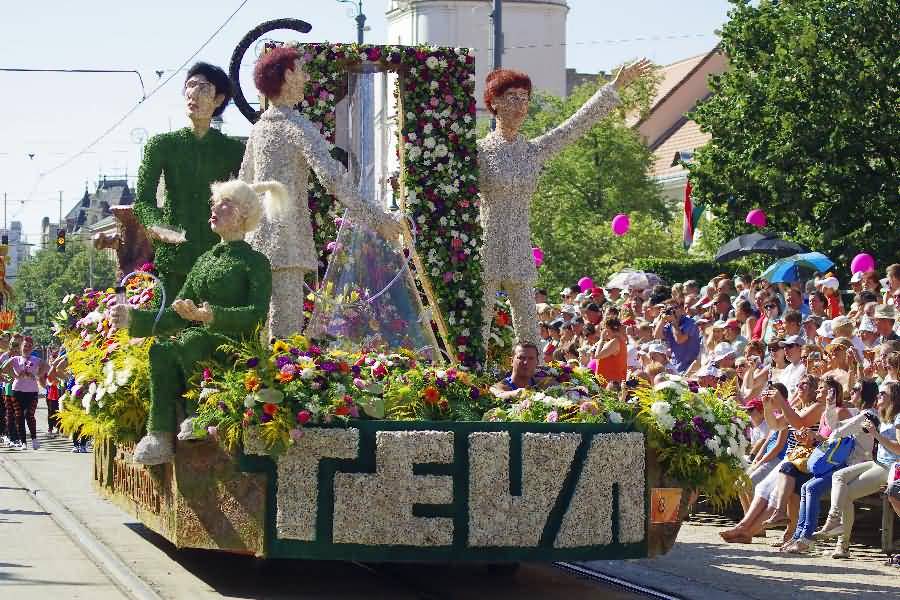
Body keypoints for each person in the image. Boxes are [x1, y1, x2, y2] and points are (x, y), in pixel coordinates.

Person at [477, 59, 652, 350]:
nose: (520, 106)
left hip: (520, 249)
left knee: (529, 330)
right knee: (478, 327)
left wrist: (614, 87)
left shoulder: (532, 151)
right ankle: (470, 382)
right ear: (494, 102)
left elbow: (573, 127)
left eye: (525, 99)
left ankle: (535, 382)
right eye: (512, 98)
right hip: (488, 248)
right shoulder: (480, 153)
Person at [109, 180, 285, 464]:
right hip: (199, 343)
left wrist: (210, 315)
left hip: (236, 348)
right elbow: (175, 313)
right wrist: (134, 319)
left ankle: (200, 414)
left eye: (225, 204)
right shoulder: (205, 261)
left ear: (243, 214)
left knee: (193, 339)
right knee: (161, 350)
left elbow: (257, 314)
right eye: (215, 202)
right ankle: (159, 435)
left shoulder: (255, 262)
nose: (214, 208)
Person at [241, 47, 402, 339]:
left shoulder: (259, 128)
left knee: (260, 330)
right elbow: (333, 179)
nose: (306, 77)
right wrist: (378, 218)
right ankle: (276, 382)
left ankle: (258, 381)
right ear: (288, 75)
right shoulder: (296, 126)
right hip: (286, 241)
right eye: (301, 70)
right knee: (284, 333)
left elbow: (243, 185)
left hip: (255, 241)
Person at [134, 62, 245, 305]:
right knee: (165, 328)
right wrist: (157, 226)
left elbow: (246, 200)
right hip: (173, 259)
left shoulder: (233, 150)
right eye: (189, 86)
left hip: (217, 258)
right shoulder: (161, 145)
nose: (193, 93)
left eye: (203, 88)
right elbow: (142, 200)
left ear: (219, 99)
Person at [811, 381, 900, 558]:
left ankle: (842, 544)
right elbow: (835, 427)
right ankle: (834, 520)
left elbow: (898, 448)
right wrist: (830, 404)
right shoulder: (883, 415)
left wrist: (876, 435)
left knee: (847, 493)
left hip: (890, 467)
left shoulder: (897, 417)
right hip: (878, 463)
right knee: (839, 476)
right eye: (879, 393)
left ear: (894, 398)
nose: (879, 396)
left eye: (883, 394)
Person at [0, 335, 49, 450]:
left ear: (32, 348)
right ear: (21, 346)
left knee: (29, 415)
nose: (26, 348)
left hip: (32, 392)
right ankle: (23, 442)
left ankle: (34, 439)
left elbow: (47, 366)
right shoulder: (15, 359)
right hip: (17, 391)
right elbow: (3, 369)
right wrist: (16, 376)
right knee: (19, 416)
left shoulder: (36, 359)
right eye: (25, 346)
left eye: (29, 346)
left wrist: (37, 376)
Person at [655, 300, 701, 374]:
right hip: (675, 366)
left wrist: (673, 322)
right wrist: (662, 320)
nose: (673, 311)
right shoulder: (669, 325)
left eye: (675, 308)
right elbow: (657, 336)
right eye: (669, 309)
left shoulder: (690, 322)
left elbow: (680, 340)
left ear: (681, 309)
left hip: (690, 367)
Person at [594, 317, 627, 386]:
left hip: (611, 385)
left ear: (607, 328)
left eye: (603, 328)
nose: (602, 331)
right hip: (609, 383)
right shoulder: (617, 340)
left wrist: (602, 339)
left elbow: (597, 355)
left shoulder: (615, 341)